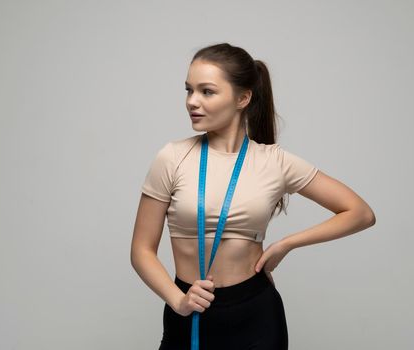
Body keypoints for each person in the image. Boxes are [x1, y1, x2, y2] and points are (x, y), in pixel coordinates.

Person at [131, 42, 376, 350]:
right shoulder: (172, 157)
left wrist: (287, 244)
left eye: (206, 91)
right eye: (188, 90)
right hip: (188, 307)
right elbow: (141, 249)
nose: (192, 101)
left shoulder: (275, 162)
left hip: (255, 315)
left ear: (243, 98)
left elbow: (360, 213)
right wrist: (178, 300)